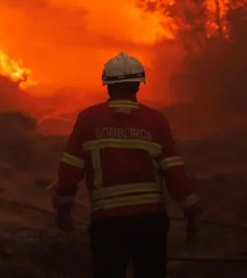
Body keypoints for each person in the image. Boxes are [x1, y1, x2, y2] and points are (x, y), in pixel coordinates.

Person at [52, 52, 201, 278]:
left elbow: (70, 169)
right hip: (150, 221)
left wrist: (63, 209)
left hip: (107, 222)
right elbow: (174, 171)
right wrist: (189, 209)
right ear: (138, 85)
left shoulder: (88, 119)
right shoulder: (156, 120)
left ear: (107, 86)